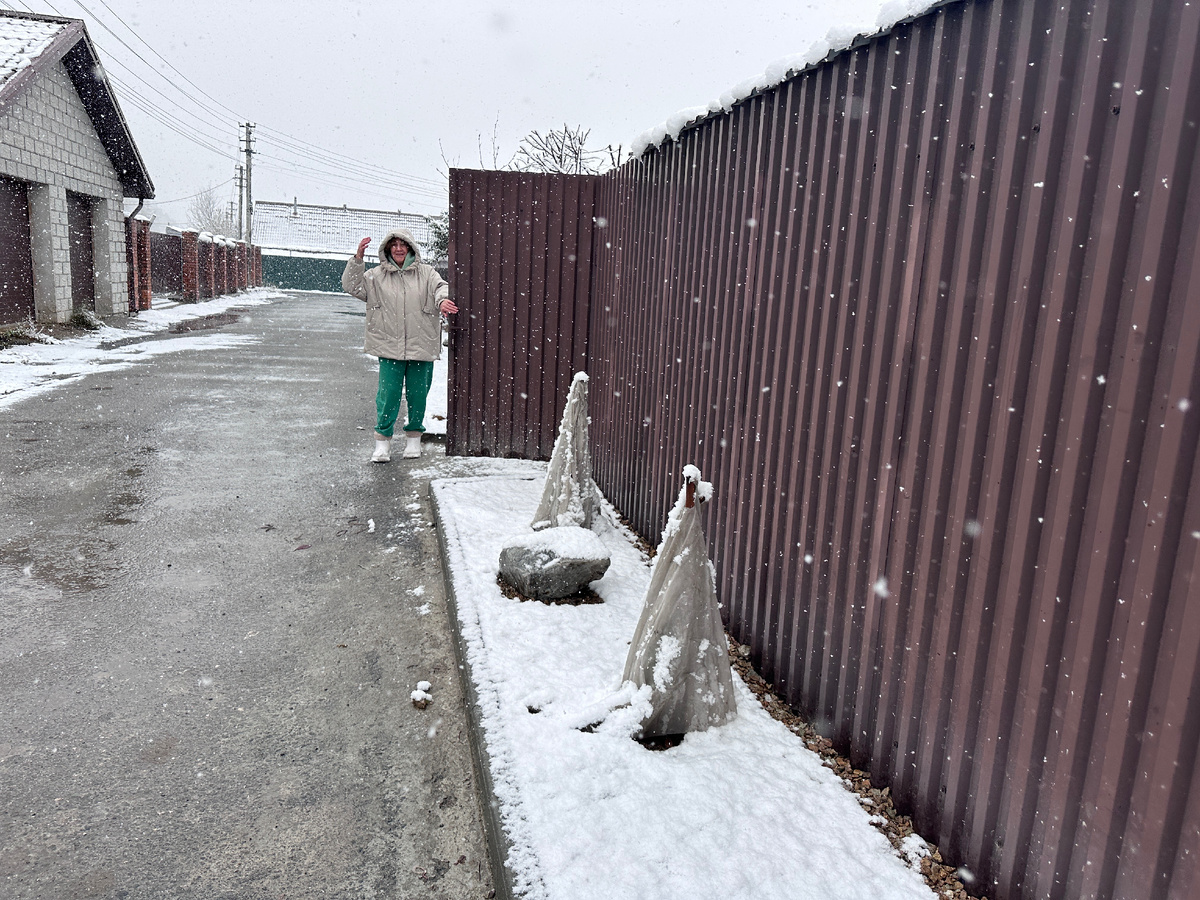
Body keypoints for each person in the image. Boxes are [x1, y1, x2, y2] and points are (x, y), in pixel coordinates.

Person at [341, 228, 458, 462]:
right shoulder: (375, 276)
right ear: (387, 249)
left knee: (418, 395)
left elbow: (440, 287)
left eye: (402, 244)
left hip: (421, 344)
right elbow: (352, 287)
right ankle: (382, 443)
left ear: (411, 248)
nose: (398, 248)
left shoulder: (427, 273)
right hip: (389, 346)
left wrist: (443, 300)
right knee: (388, 395)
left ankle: (414, 440)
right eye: (393, 245)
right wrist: (357, 260)